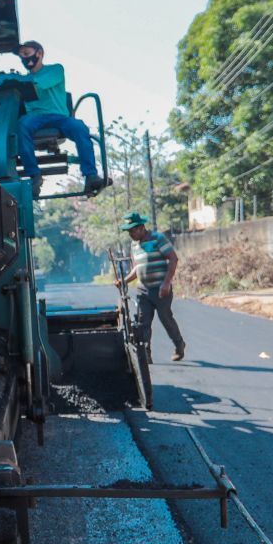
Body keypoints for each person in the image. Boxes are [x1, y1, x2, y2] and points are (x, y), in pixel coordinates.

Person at [13, 40, 108, 198]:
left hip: (59, 118)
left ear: (39, 53)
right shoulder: (23, 80)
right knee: (22, 124)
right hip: (35, 118)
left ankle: (91, 175)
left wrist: (17, 82)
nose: (24, 58)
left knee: (79, 127)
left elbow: (39, 84)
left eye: (27, 53)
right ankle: (34, 176)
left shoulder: (55, 70)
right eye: (21, 55)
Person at [121, 211, 186, 362]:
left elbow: (173, 259)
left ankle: (179, 344)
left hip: (161, 289)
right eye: (128, 231)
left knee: (166, 319)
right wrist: (124, 280)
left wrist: (166, 283)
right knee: (143, 322)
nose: (130, 234)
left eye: (132, 230)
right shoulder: (134, 245)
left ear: (142, 227)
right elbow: (137, 268)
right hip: (143, 290)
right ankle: (146, 354)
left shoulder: (158, 238)